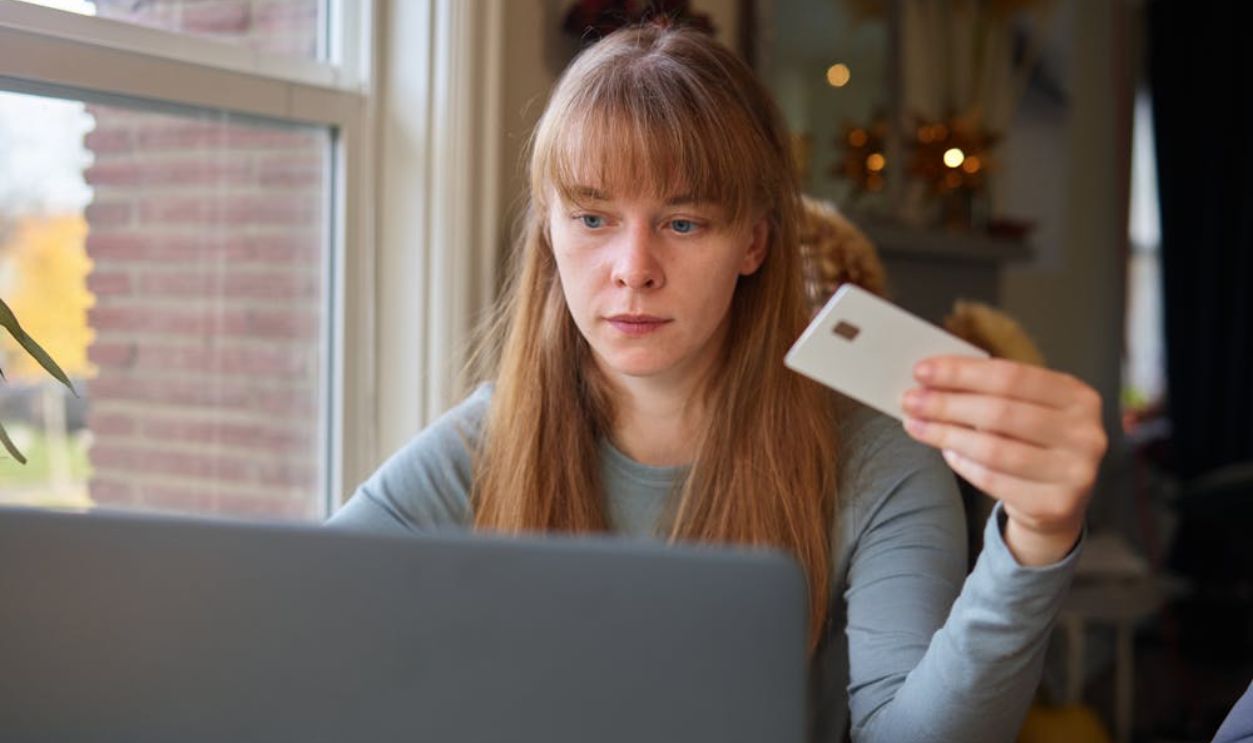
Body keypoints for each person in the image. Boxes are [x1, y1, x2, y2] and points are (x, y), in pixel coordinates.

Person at [328, 22, 1107, 743]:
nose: (632, 268)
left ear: (754, 243)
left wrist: (1034, 541)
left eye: (683, 222)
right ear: (548, 229)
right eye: (593, 219)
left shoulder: (877, 460)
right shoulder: (489, 439)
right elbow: (304, 613)